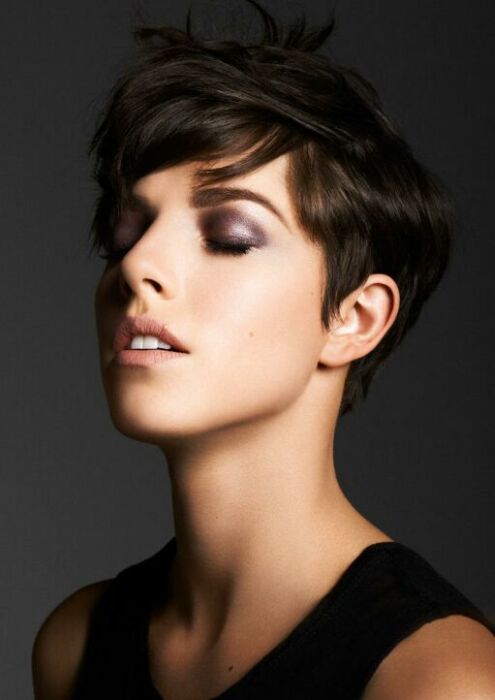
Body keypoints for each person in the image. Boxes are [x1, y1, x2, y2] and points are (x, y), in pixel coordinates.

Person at [32, 2, 495, 698]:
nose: (137, 265)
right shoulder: (74, 646)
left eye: (230, 239)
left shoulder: (436, 678)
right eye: (125, 235)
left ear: (354, 318)